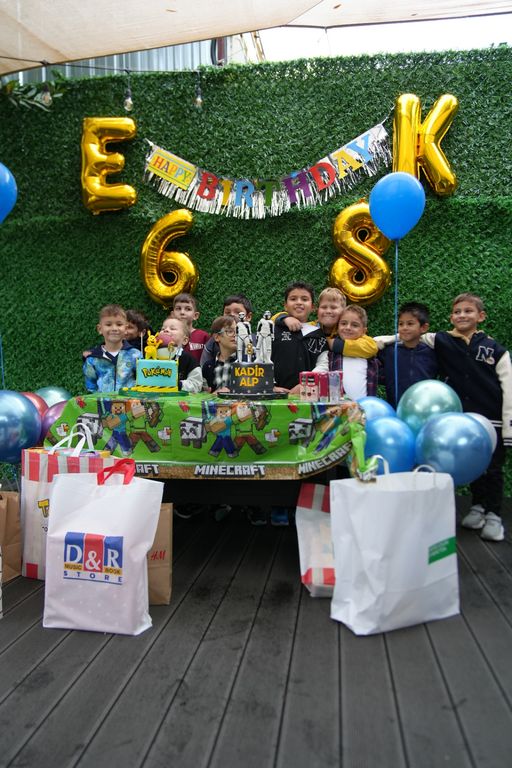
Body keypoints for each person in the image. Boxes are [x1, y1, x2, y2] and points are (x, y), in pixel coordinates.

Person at [422, 292, 512, 541]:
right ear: (451, 317)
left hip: (492, 421)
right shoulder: (442, 340)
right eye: (457, 311)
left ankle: (494, 515)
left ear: (481, 316)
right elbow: (408, 334)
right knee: (473, 465)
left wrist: (508, 427)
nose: (462, 315)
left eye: (468, 311)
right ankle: (478, 507)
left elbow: (509, 389)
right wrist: (373, 342)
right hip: (461, 422)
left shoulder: (496, 350)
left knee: (492, 468)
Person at [376, 301, 438, 409]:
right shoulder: (390, 352)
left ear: (423, 328)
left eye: (410, 324)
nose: (404, 328)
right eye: (401, 324)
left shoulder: (432, 353)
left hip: (424, 409)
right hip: (395, 409)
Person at [83, 304, 141, 393]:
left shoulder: (135, 354)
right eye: (108, 324)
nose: (114, 328)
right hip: (103, 401)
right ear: (100, 329)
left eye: (119, 324)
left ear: (125, 329)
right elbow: (91, 385)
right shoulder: (92, 359)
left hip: (129, 401)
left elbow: (142, 381)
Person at [329, 305, 379, 400]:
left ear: (364, 331)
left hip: (365, 405)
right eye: (344, 323)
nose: (348, 327)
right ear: (337, 326)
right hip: (337, 405)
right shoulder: (332, 353)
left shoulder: (367, 350)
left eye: (355, 325)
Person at [200, 293, 255, 366]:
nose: (232, 315)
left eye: (238, 312)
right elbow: (204, 366)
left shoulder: (255, 341)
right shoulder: (212, 343)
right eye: (227, 313)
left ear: (248, 317)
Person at [157, 316, 203, 393]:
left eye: (172, 329)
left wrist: (179, 385)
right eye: (163, 329)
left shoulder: (188, 359)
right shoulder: (152, 355)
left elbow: (196, 384)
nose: (166, 330)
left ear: (185, 340)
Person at [201, 315, 237, 393]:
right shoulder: (208, 366)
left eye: (238, 331)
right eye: (230, 331)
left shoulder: (246, 362)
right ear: (217, 337)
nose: (235, 335)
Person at [171, 292, 210, 363]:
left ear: (195, 316)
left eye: (188, 309)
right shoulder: (167, 335)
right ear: (172, 314)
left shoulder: (203, 336)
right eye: (178, 308)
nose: (182, 312)